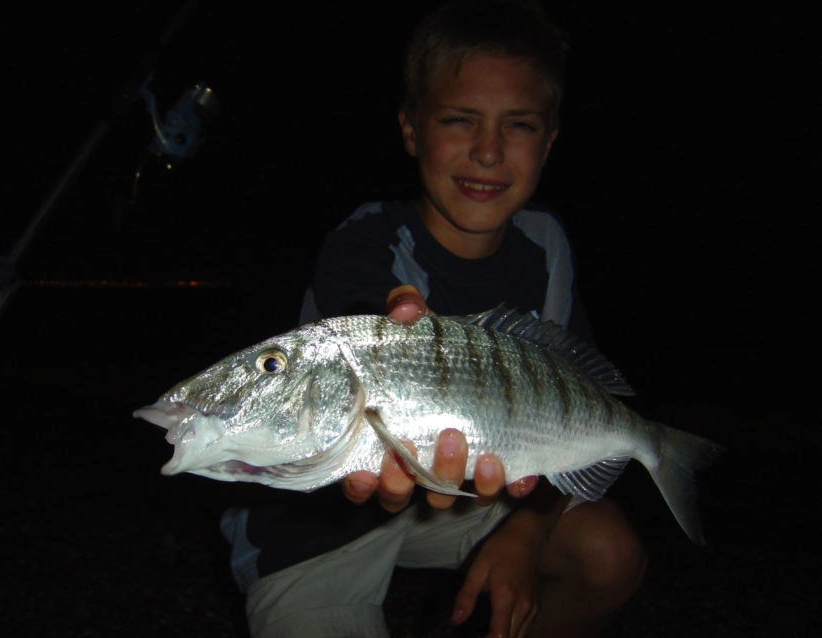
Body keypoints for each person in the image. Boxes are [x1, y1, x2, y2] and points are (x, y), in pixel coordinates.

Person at [223, 1, 647, 636]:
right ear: (410, 130)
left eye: (520, 126)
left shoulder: (547, 244)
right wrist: (397, 312)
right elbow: (377, 310)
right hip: (316, 519)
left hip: (469, 493)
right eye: (458, 120)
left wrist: (526, 536)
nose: (487, 150)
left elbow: (568, 411)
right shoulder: (364, 243)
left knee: (608, 554)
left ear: (551, 139)